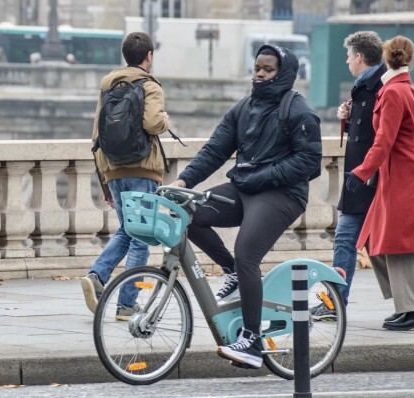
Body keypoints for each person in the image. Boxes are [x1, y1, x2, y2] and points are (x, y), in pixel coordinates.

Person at [170, 45, 322, 368]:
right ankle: (233, 273)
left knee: (247, 252)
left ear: (283, 74)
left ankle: (252, 341)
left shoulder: (298, 111)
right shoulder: (244, 108)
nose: (260, 75)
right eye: (257, 68)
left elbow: (309, 161)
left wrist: (265, 176)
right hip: (246, 187)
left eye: (268, 70)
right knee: (190, 214)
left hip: (282, 194)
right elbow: (214, 150)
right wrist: (184, 183)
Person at [310, 31, 414, 323]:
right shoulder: (380, 85)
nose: (346, 61)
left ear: (359, 57)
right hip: (372, 173)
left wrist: (363, 171)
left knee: (402, 238)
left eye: (348, 56)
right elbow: (376, 126)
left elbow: (385, 138)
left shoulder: (387, 87)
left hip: (375, 175)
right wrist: (348, 116)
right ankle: (338, 301)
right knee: (371, 236)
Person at [346, 35, 414, 331]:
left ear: (386, 57)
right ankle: (407, 305)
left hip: (400, 174)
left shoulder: (394, 92)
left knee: (397, 243)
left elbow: (384, 140)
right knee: (378, 240)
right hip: (401, 172)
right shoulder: (405, 88)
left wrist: (360, 172)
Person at [81, 32, 170, 321]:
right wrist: (166, 120)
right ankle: (127, 304)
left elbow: (96, 136)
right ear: (149, 57)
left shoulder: (108, 84)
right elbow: (154, 122)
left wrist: (105, 182)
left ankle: (97, 276)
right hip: (142, 169)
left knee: (128, 230)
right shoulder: (149, 85)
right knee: (141, 237)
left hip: (114, 168)